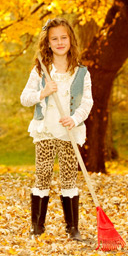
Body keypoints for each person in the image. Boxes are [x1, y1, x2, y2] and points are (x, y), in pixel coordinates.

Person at [20, 18, 93, 240]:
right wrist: (43, 92)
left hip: (68, 132)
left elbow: (86, 103)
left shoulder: (81, 73)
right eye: (54, 39)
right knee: (42, 174)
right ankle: (37, 227)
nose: (60, 42)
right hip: (46, 131)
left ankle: (72, 228)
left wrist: (75, 118)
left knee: (69, 177)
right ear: (48, 43)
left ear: (70, 40)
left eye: (63, 37)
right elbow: (25, 98)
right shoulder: (41, 71)